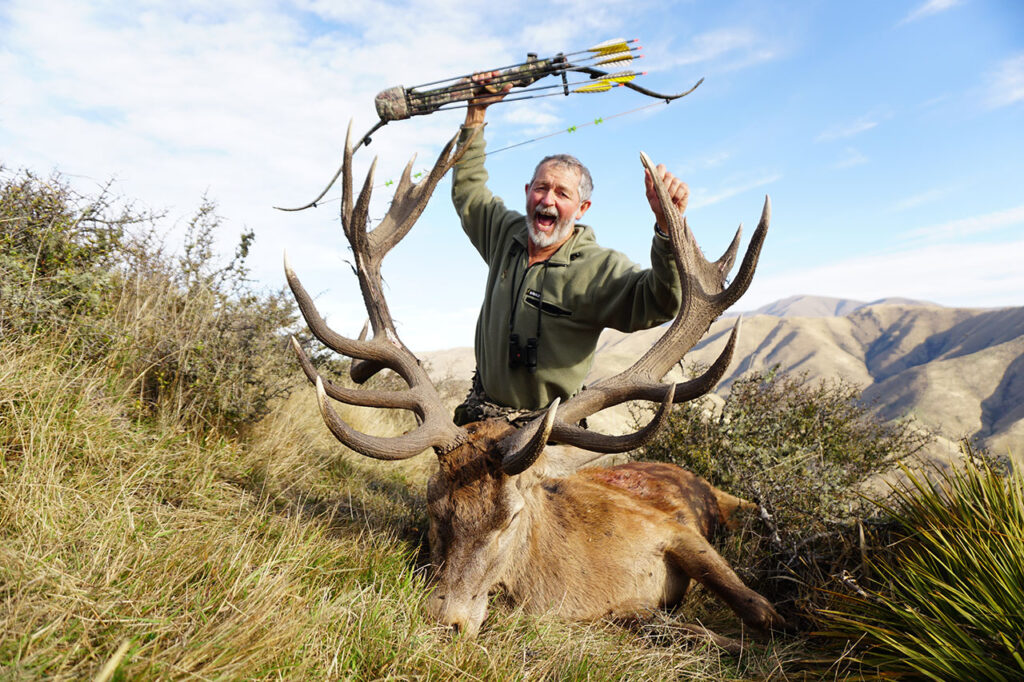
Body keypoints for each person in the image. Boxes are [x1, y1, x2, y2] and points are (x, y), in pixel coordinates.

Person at [452, 72, 690, 426]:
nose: (547, 200)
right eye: (541, 188)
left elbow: (659, 301)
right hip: (480, 416)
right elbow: (469, 192)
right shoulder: (506, 234)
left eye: (562, 193)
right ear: (527, 191)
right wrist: (476, 114)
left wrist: (668, 230)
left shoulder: (598, 268)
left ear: (582, 209)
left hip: (546, 434)